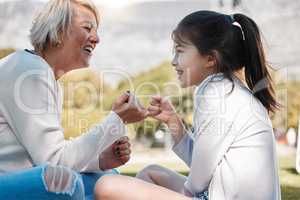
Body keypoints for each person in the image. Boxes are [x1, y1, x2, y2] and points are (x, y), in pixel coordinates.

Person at [94, 10, 281, 200]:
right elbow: (205, 164)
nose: (174, 61)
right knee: (150, 173)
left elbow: (197, 183)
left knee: (107, 186)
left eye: (180, 51)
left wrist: (182, 193)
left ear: (210, 59)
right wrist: (174, 122)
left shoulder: (214, 92)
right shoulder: (230, 89)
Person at [0, 0, 147, 199]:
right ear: (58, 31)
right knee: (63, 182)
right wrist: (117, 118)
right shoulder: (29, 70)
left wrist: (100, 161)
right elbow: (54, 162)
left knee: (108, 179)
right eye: (87, 28)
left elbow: (50, 154)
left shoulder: (43, 74)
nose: (96, 38)